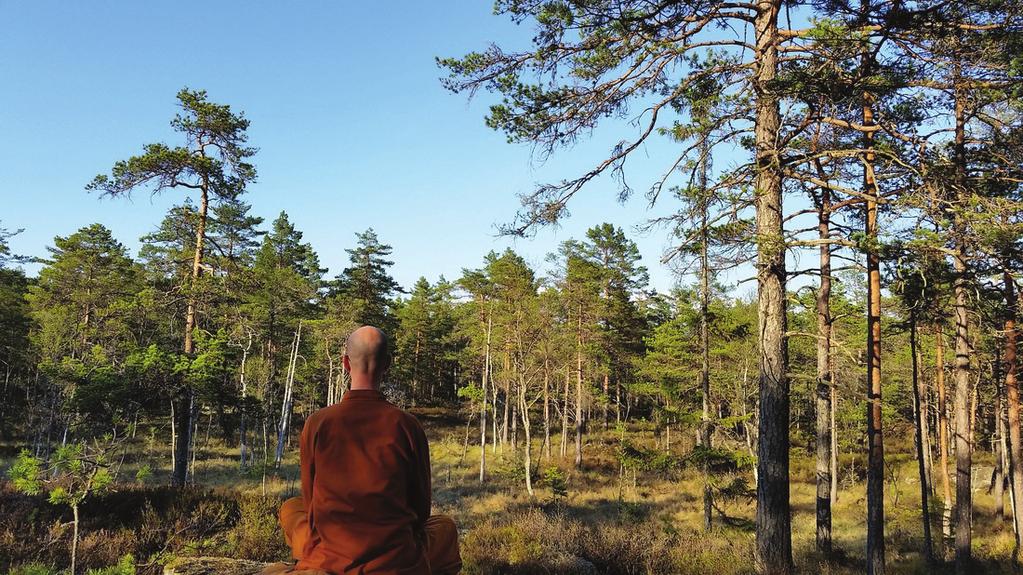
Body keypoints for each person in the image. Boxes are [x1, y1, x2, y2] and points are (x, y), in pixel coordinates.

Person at [271, 326, 461, 575]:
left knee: (292, 508)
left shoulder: (318, 422)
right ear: (388, 365)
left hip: (329, 557)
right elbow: (421, 510)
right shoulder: (407, 425)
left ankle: (310, 561)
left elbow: (311, 502)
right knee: (444, 527)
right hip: (395, 561)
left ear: (345, 364)